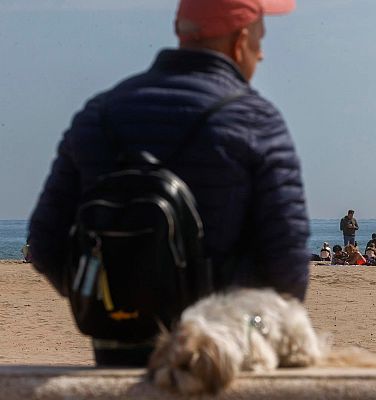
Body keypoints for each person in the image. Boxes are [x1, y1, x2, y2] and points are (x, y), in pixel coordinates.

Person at [27, 0, 307, 367]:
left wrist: (109, 303)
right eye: (260, 39)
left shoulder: (99, 113)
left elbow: (44, 243)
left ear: (181, 33)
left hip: (118, 358)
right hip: (216, 364)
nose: (262, 54)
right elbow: (288, 271)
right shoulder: (256, 121)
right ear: (240, 42)